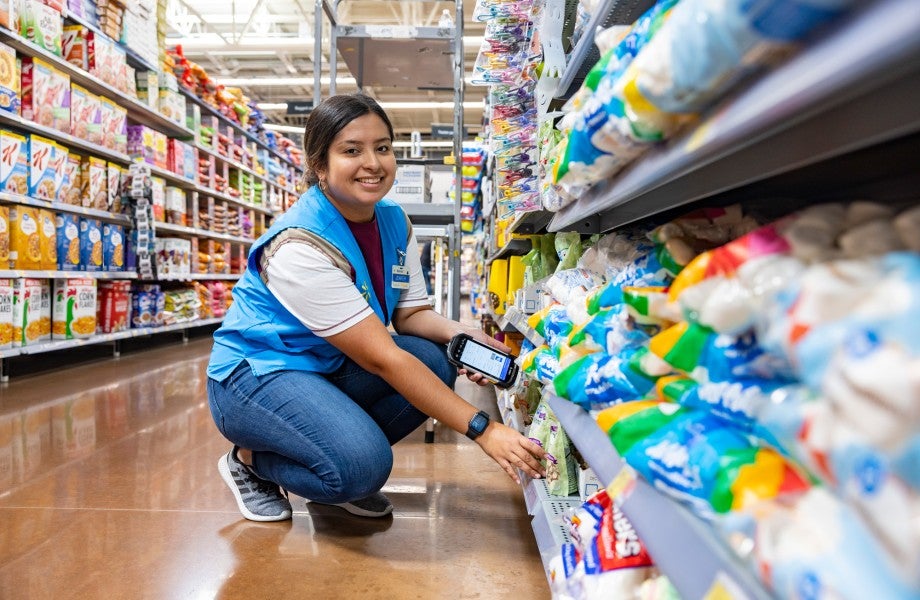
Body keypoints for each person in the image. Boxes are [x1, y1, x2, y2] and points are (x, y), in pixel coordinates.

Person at [207, 93, 548, 522]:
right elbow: (384, 358)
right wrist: (483, 428)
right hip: (255, 377)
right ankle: (251, 462)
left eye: (382, 147)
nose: (373, 162)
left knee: (434, 358)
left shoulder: (392, 220)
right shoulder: (299, 245)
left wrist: (465, 335)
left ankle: (335, 457)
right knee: (364, 468)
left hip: (324, 365)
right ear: (319, 164)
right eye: (352, 150)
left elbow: (411, 315)